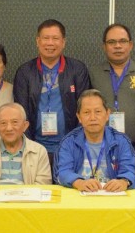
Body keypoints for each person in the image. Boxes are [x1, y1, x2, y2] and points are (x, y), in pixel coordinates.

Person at [13, 19, 90, 165]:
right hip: (34, 149)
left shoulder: (77, 70)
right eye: (46, 38)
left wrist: (74, 145)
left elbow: (85, 110)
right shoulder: (25, 72)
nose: (50, 43)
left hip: (70, 148)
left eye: (55, 38)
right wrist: (29, 146)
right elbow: (21, 113)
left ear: (63, 42)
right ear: (37, 41)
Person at [54, 89, 135, 192]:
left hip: (112, 199)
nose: (93, 118)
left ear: (107, 114)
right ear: (79, 117)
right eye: (86, 112)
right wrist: (79, 183)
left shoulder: (121, 141)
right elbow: (62, 173)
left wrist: (123, 181)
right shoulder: (69, 142)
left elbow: (131, 172)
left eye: (98, 111)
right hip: (80, 200)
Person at [89, 24, 135, 153]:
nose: (117, 46)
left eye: (122, 41)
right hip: (101, 147)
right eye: (111, 42)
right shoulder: (93, 73)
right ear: (104, 46)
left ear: (130, 45)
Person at [0, 103, 51, 184]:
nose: (9, 128)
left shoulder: (39, 152)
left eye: (14, 122)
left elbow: (42, 187)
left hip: (28, 197)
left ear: (25, 126)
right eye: (3, 123)